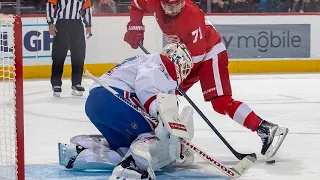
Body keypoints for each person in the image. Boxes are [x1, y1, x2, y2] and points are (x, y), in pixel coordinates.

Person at [123, 0, 289, 159]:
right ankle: (163, 139)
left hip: (209, 54)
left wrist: (171, 77)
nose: (174, 10)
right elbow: (136, 5)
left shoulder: (191, 16)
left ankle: (265, 129)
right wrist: (136, 28)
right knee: (165, 97)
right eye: (169, 6)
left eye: (178, 5)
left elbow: (196, 57)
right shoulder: (153, 2)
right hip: (185, 59)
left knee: (221, 102)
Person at [58, 43, 195, 179]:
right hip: (115, 100)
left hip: (96, 102)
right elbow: (146, 85)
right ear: (178, 61)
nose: (184, 72)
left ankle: (82, 150)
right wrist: (160, 117)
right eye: (185, 67)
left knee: (124, 151)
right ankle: (133, 167)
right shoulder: (161, 63)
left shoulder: (144, 60)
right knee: (154, 132)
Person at [46, 0, 93, 97]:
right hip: (62, 23)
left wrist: (88, 25)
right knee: (59, 54)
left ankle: (76, 83)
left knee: (79, 54)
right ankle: (56, 83)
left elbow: (87, 8)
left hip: (77, 25)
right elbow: (50, 5)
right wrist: (50, 23)